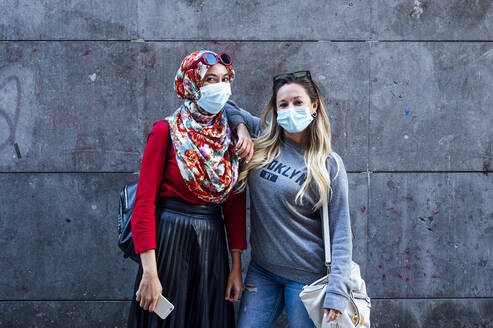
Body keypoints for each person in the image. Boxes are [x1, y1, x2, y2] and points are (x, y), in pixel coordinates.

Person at [127, 50, 253, 328]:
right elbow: (144, 203)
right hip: (169, 240)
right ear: (191, 84)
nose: (219, 87)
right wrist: (150, 271)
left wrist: (235, 266)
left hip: (212, 243)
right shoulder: (165, 131)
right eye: (210, 79)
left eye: (223, 79)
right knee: (166, 320)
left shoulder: (230, 138)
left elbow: (233, 205)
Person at [225, 70, 353, 327]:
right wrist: (240, 127)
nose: (290, 109)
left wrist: (338, 292)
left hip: (306, 279)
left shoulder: (328, 165)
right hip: (262, 272)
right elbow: (226, 105)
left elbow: (341, 233)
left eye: (298, 102)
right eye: (283, 104)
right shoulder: (262, 136)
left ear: (313, 106)